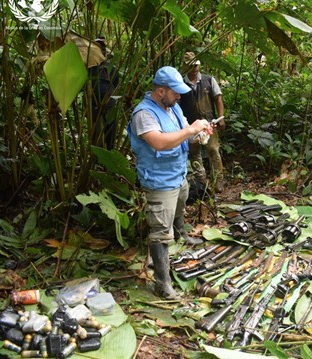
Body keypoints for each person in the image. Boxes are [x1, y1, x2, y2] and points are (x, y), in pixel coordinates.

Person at [127, 66, 212, 299]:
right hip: (159, 181)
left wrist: (199, 133)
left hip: (177, 174)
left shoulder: (172, 108)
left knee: (181, 203)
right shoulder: (144, 114)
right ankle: (162, 284)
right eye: (175, 92)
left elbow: (186, 133)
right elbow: (160, 143)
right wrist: (191, 130)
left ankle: (181, 233)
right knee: (160, 231)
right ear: (161, 90)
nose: (179, 96)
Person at [178, 52, 226, 193]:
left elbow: (218, 98)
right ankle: (202, 182)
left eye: (196, 64)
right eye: (192, 65)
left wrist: (221, 118)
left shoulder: (209, 80)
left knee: (213, 151)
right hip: (191, 126)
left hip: (209, 123)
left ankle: (218, 181)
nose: (195, 68)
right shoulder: (181, 84)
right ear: (186, 66)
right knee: (194, 154)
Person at [89, 36, 119, 149]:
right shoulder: (88, 67)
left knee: (110, 128)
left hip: (108, 100)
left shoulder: (111, 67)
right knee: (96, 129)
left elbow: (115, 83)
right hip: (93, 102)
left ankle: (109, 153)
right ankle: (98, 155)